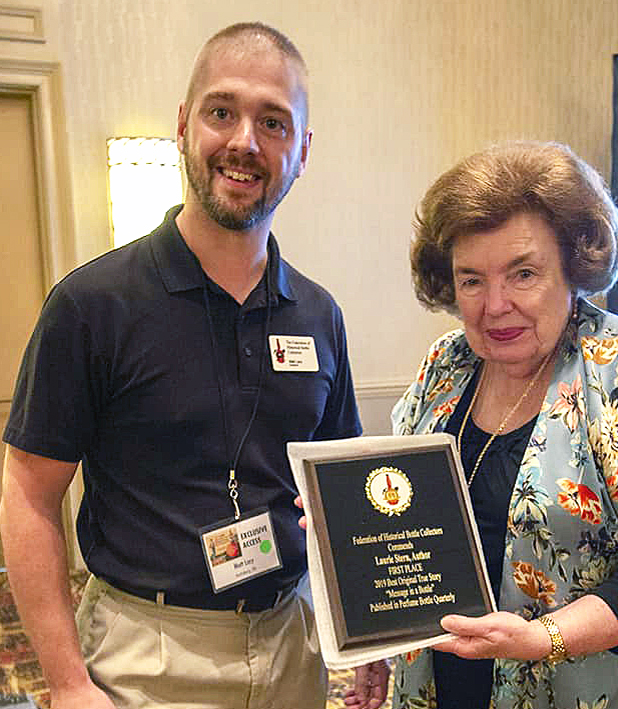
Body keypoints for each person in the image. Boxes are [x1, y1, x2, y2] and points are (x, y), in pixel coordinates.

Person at [0, 22, 362, 709]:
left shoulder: (319, 315)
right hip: (145, 659)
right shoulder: (92, 305)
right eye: (221, 111)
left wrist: (365, 633)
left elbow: (340, 495)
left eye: (273, 122)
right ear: (183, 126)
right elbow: (28, 495)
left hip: (292, 645)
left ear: (302, 151)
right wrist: (68, 683)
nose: (244, 141)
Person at [389, 141, 618, 708]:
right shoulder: (445, 366)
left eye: (523, 274)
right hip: (446, 678)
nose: (495, 305)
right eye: (472, 280)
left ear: (574, 266)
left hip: (592, 684)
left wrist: (542, 639)